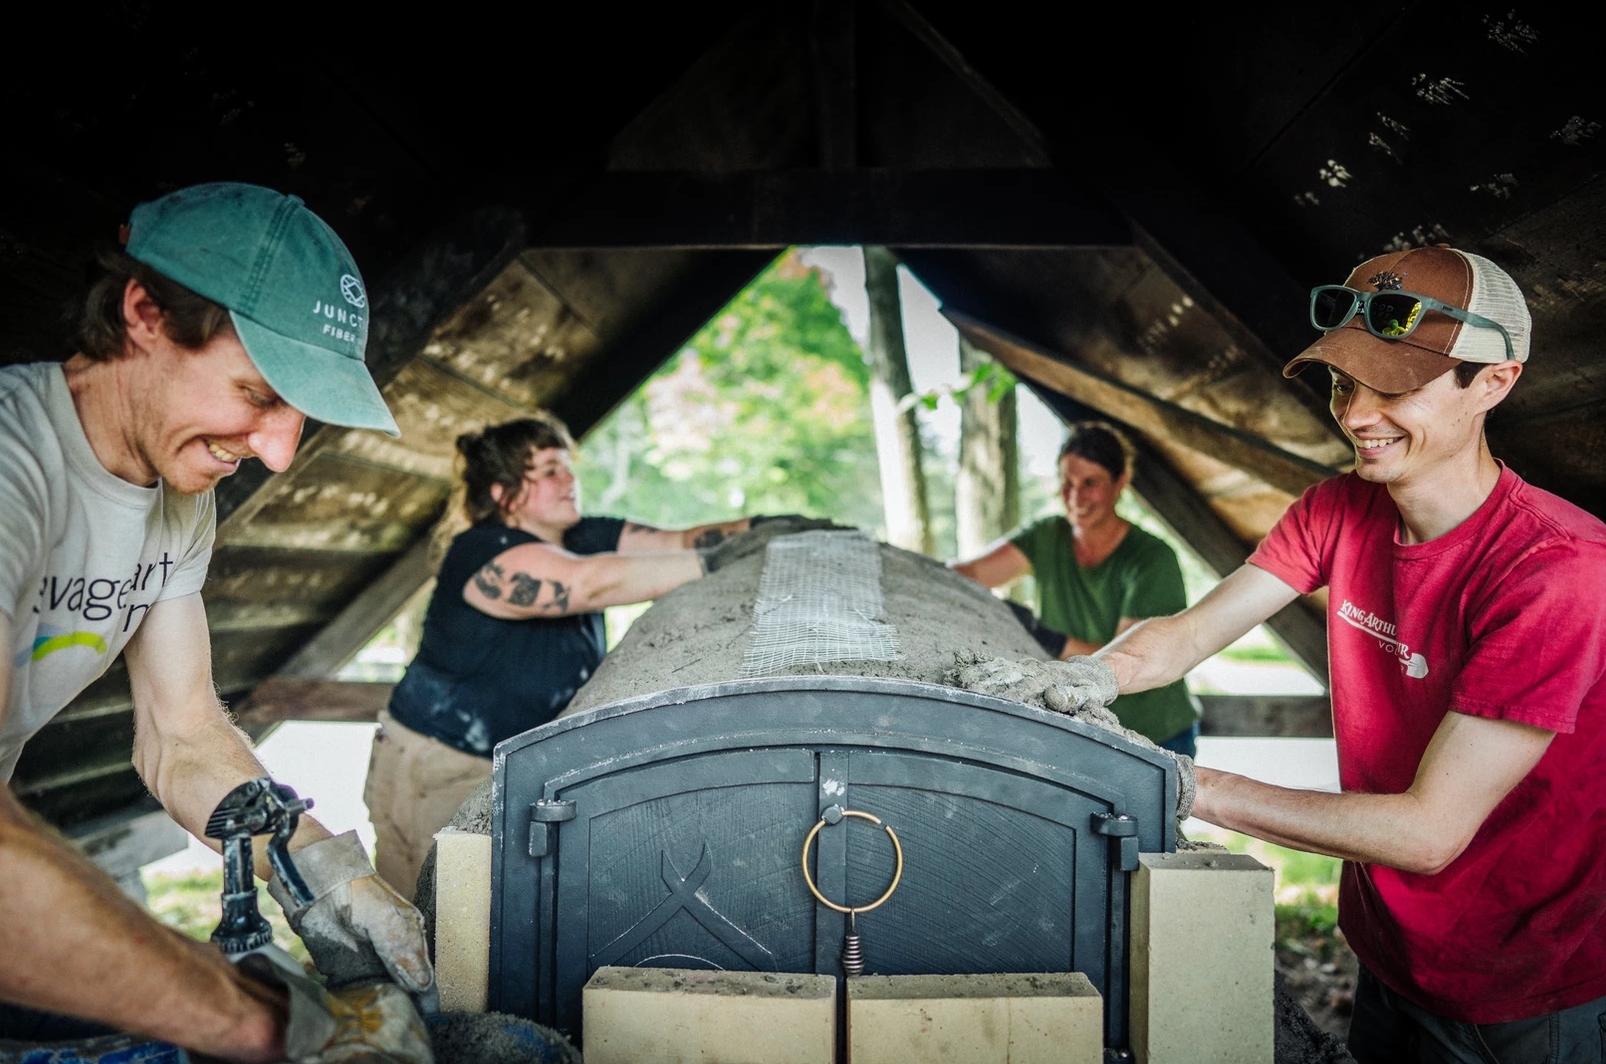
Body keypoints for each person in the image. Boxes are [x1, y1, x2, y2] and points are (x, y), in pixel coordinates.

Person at [1090, 246, 1606, 1059]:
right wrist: (1080, 677)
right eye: (1343, 382)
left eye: (1395, 386)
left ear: (1496, 381)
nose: (1359, 415)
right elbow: (1183, 639)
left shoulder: (1557, 571)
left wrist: (1186, 785)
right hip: (1389, 950)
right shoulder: (1340, 508)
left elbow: (1428, 832)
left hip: (1517, 989)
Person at [0, 183, 434, 1062]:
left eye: (296, 414)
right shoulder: (15, 464)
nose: (277, 452)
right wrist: (255, 1022)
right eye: (256, 392)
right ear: (143, 314)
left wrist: (325, 869)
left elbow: (183, 735)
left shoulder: (173, 498)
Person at [364, 416, 779, 899]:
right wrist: (724, 563)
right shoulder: (480, 551)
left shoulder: (581, 535)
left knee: (486, 913)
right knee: (429, 909)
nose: (569, 480)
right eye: (548, 471)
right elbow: (588, 582)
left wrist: (767, 530)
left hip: (502, 762)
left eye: (567, 467)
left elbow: (681, 540)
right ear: (502, 494)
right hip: (438, 762)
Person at [951, 422, 1201, 755]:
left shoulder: (1151, 560)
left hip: (1153, 733)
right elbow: (970, 575)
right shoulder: (1047, 535)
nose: (1075, 496)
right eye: (1067, 482)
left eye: (1090, 483)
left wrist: (1049, 639)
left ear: (1120, 484)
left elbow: (1130, 662)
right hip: (1080, 726)